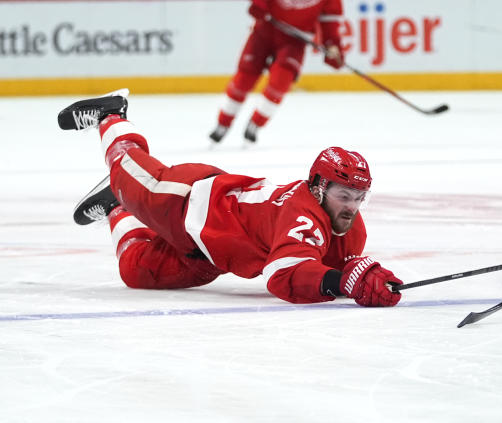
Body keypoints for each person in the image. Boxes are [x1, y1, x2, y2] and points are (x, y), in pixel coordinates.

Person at [57, 89, 402, 307]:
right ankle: (112, 114)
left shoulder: (352, 229)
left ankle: (118, 207)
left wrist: (367, 277)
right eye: (344, 195)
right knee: (124, 172)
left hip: (210, 254)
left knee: (135, 271)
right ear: (317, 187)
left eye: (359, 197)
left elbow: (332, 269)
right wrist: (342, 282)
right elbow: (283, 274)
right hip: (189, 201)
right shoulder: (302, 215)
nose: (352, 207)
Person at [210, 0, 345, 145]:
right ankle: (223, 123)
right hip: (266, 29)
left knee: (281, 81)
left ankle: (256, 124)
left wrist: (333, 44)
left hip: (295, 39)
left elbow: (330, 16)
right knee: (245, 78)